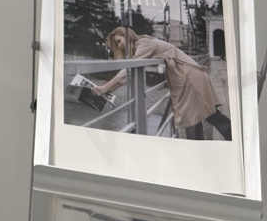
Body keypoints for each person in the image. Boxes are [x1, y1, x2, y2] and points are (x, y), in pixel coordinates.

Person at [87, 24, 231, 140]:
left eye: (119, 41)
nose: (119, 46)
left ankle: (216, 144)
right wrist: (109, 89)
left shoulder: (144, 44)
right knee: (202, 116)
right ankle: (223, 140)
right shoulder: (145, 42)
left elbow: (129, 70)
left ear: (127, 36)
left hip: (189, 78)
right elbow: (130, 71)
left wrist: (106, 87)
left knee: (195, 118)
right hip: (191, 75)